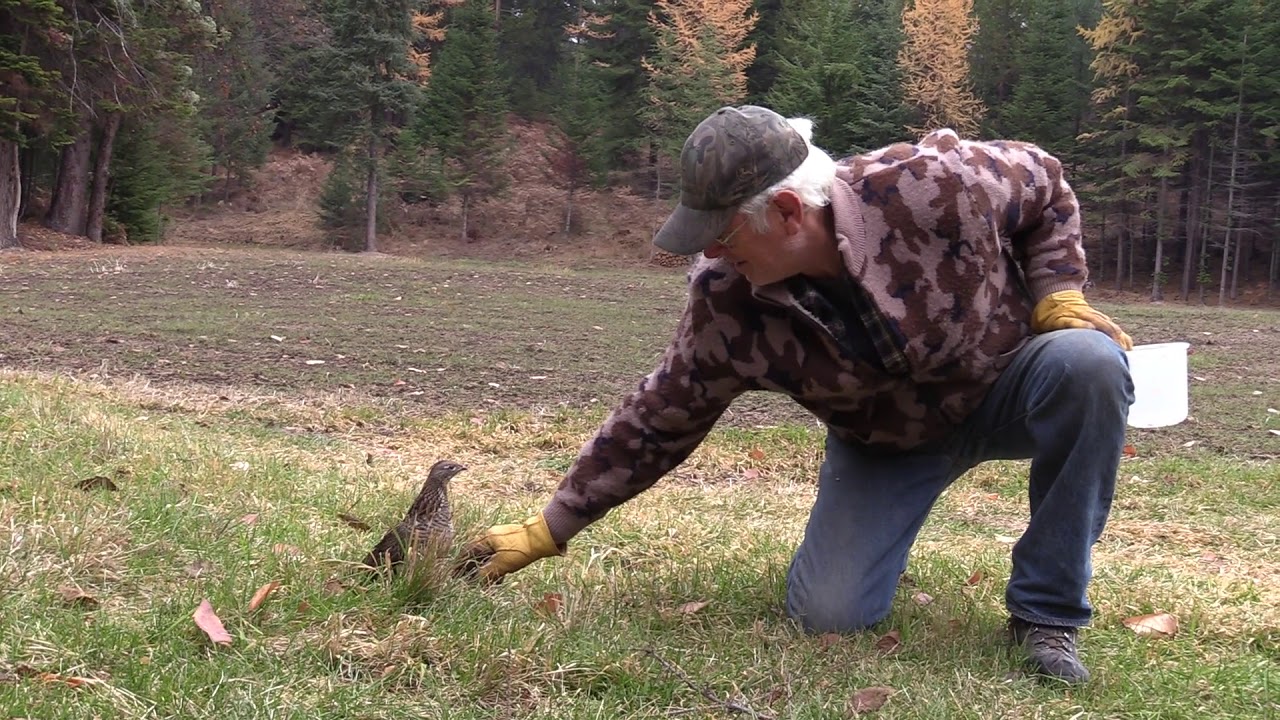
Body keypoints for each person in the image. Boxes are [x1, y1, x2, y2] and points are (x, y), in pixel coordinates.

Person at [459, 105, 1135, 684]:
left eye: (722, 236)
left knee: (1089, 363)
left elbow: (1045, 181)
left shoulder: (932, 187)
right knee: (830, 615)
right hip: (887, 444)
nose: (714, 256)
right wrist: (553, 525)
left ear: (784, 210)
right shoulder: (728, 301)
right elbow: (660, 415)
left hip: (1009, 385)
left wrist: (1059, 291)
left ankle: (1046, 617)